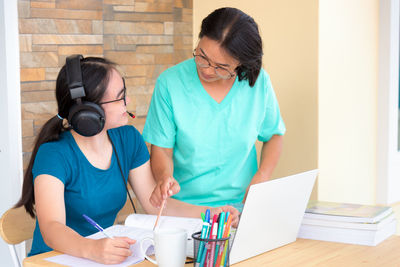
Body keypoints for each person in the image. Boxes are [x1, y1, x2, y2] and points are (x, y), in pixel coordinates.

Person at [15, 56, 239, 265]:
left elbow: (156, 205)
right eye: (120, 96)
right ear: (88, 111)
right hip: (55, 260)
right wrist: (92, 249)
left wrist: (214, 214)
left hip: (102, 258)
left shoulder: (128, 139)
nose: (128, 100)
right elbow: (51, 227)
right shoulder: (54, 154)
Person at [145, 7, 286, 210]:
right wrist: (164, 178)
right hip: (187, 210)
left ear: (241, 64)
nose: (207, 70)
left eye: (221, 67)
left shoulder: (258, 82)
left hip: (241, 209)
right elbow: (162, 150)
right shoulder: (170, 83)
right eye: (202, 56)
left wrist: (262, 177)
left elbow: (273, 135)